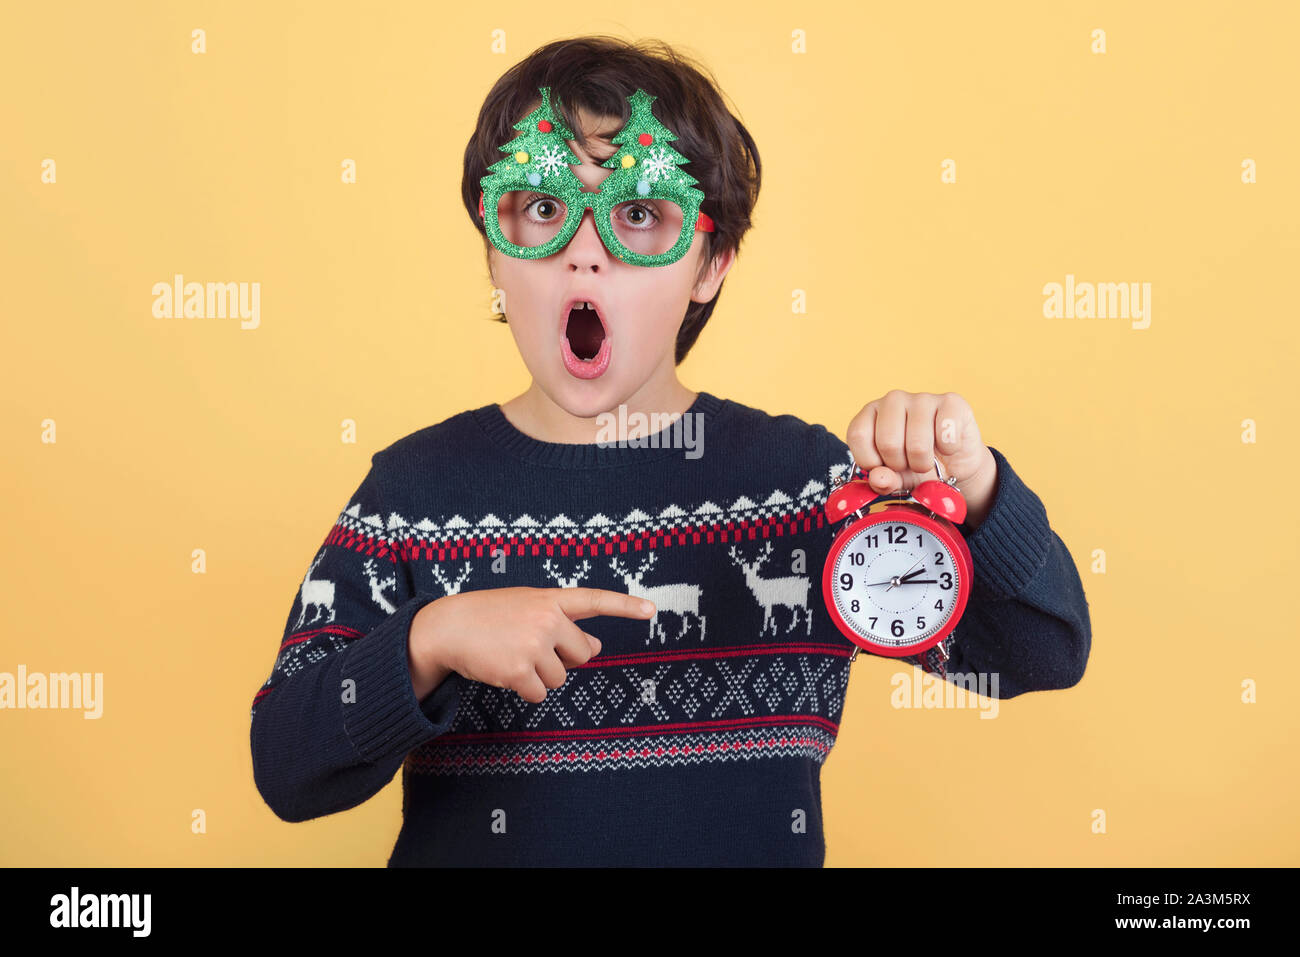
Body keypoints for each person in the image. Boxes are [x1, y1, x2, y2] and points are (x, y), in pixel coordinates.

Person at [249, 36, 1091, 866]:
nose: (585, 249)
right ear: (493, 246)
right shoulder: (412, 491)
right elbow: (288, 769)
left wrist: (974, 492)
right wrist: (427, 640)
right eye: (542, 208)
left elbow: (1041, 651)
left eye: (641, 214)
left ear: (711, 262)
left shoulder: (807, 494)